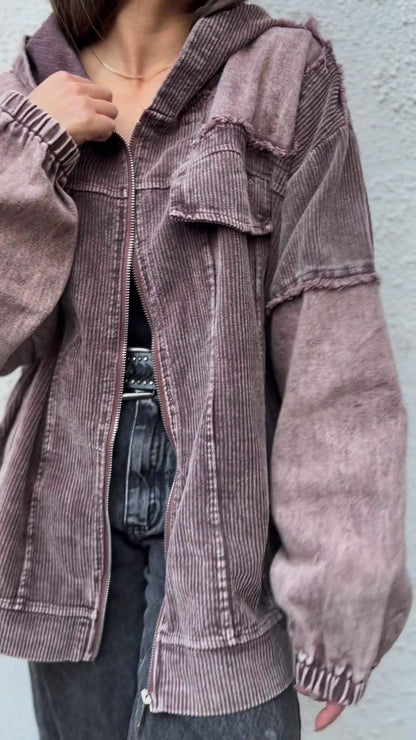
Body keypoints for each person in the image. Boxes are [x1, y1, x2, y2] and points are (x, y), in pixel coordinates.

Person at [0, 1, 412, 738]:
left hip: (222, 505)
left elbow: (333, 346)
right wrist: (34, 145)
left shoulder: (282, 75)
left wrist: (342, 589)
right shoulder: (35, 84)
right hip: (65, 512)